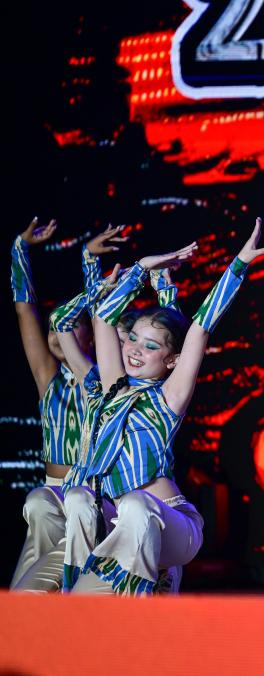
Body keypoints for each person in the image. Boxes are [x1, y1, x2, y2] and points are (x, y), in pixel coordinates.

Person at [55, 219, 264, 594]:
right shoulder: (111, 386)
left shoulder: (169, 397)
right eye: (133, 339)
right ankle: (88, 595)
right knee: (78, 499)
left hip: (172, 526)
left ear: (172, 360)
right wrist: (141, 268)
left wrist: (238, 266)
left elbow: (199, 328)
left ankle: (149, 596)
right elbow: (103, 317)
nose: (136, 350)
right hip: (118, 522)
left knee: (137, 506)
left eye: (151, 346)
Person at [10, 221, 125, 591]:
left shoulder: (105, 380)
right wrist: (20, 248)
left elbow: (101, 309)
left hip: (93, 497)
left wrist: (90, 260)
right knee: (37, 504)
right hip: (53, 494)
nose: (58, 332)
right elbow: (25, 311)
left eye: (72, 324)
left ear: (91, 334)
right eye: (54, 326)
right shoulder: (48, 378)